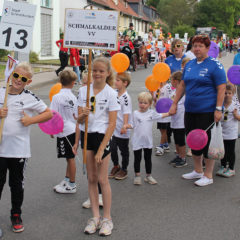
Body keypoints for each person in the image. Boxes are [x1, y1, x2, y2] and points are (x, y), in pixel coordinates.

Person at [0, 62, 52, 232]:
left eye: (23, 78)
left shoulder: (30, 97)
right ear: (11, 74)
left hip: (18, 150)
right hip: (0, 149)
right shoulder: (1, 92)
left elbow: (48, 113)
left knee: (16, 185)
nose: (18, 80)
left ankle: (16, 214)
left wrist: (30, 120)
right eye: (16, 75)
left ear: (28, 82)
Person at [169, 34, 226, 187]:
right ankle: (197, 170)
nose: (197, 48)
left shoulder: (215, 65)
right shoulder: (189, 64)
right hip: (190, 110)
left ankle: (208, 175)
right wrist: (174, 103)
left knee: (205, 142)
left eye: (201, 46)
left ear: (207, 48)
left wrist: (218, 109)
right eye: (195, 45)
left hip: (207, 111)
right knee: (193, 140)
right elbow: (182, 85)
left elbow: (221, 88)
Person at [77, 56, 120, 236]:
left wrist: (102, 148)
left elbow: (112, 123)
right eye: (94, 70)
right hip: (88, 136)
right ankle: (95, 217)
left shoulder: (111, 93)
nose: (97, 74)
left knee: (103, 180)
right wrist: (83, 114)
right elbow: (78, 119)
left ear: (108, 73)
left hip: (103, 137)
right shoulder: (83, 91)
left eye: (101, 71)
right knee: (91, 178)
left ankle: (107, 219)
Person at [125, 92, 169, 185]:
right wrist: (126, 126)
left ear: (149, 104)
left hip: (148, 141)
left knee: (148, 158)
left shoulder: (152, 113)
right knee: (137, 158)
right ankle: (137, 176)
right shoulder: (135, 113)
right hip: (137, 140)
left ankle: (148, 176)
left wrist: (170, 113)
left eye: (145, 103)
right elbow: (132, 124)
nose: (142, 105)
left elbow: (161, 115)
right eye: (141, 102)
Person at [50, 70, 78, 193]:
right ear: (73, 83)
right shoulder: (73, 97)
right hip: (72, 130)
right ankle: (67, 180)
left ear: (60, 81)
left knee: (70, 158)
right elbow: (76, 115)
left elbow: (53, 115)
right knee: (69, 157)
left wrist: (51, 129)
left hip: (65, 131)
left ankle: (72, 185)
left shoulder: (57, 97)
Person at [109, 72, 132, 180]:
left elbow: (126, 112)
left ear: (125, 83)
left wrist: (125, 126)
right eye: (115, 80)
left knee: (124, 151)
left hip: (122, 128)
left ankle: (124, 169)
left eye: (118, 80)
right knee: (112, 148)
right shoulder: (114, 93)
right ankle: (116, 165)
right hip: (113, 128)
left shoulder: (126, 97)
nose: (115, 82)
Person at [216, 84, 240, 177]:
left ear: (233, 94)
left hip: (231, 132)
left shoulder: (236, 105)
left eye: (229, 93)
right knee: (222, 150)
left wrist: (235, 115)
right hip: (221, 131)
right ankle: (223, 166)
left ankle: (231, 168)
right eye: (225, 93)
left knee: (230, 151)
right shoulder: (220, 104)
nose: (227, 95)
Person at [168, 71, 187, 167]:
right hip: (174, 119)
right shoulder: (173, 91)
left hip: (181, 121)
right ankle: (179, 156)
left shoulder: (185, 93)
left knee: (180, 140)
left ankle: (183, 158)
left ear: (176, 81)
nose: (171, 82)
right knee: (176, 139)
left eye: (171, 80)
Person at [155, 82, 174, 156]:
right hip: (158, 112)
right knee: (161, 129)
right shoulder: (156, 86)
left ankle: (161, 147)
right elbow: (155, 99)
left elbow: (171, 98)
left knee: (164, 130)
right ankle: (166, 145)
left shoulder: (168, 87)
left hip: (166, 112)